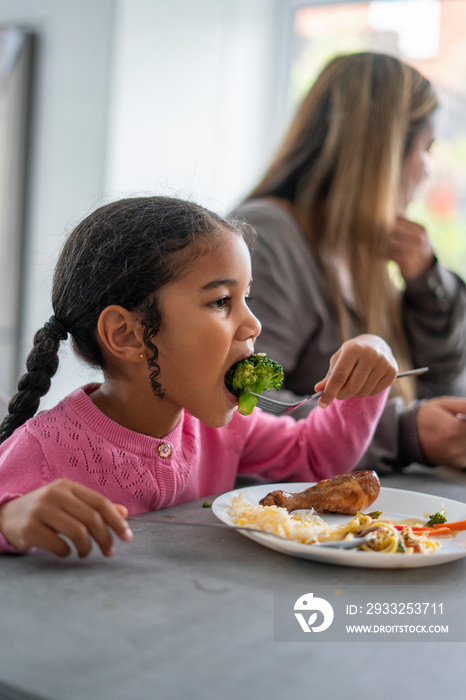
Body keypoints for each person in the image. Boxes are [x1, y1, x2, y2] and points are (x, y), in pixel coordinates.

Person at [0, 196, 397, 559]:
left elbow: (316, 458)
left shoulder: (225, 430)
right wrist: (8, 519)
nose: (253, 325)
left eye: (248, 298)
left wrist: (368, 371)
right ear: (128, 334)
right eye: (221, 301)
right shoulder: (42, 449)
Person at [232, 51, 466, 473]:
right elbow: (243, 404)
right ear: (385, 155)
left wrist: (427, 287)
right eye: (425, 149)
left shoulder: (362, 249)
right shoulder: (266, 239)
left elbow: (441, 383)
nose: (427, 171)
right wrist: (403, 433)